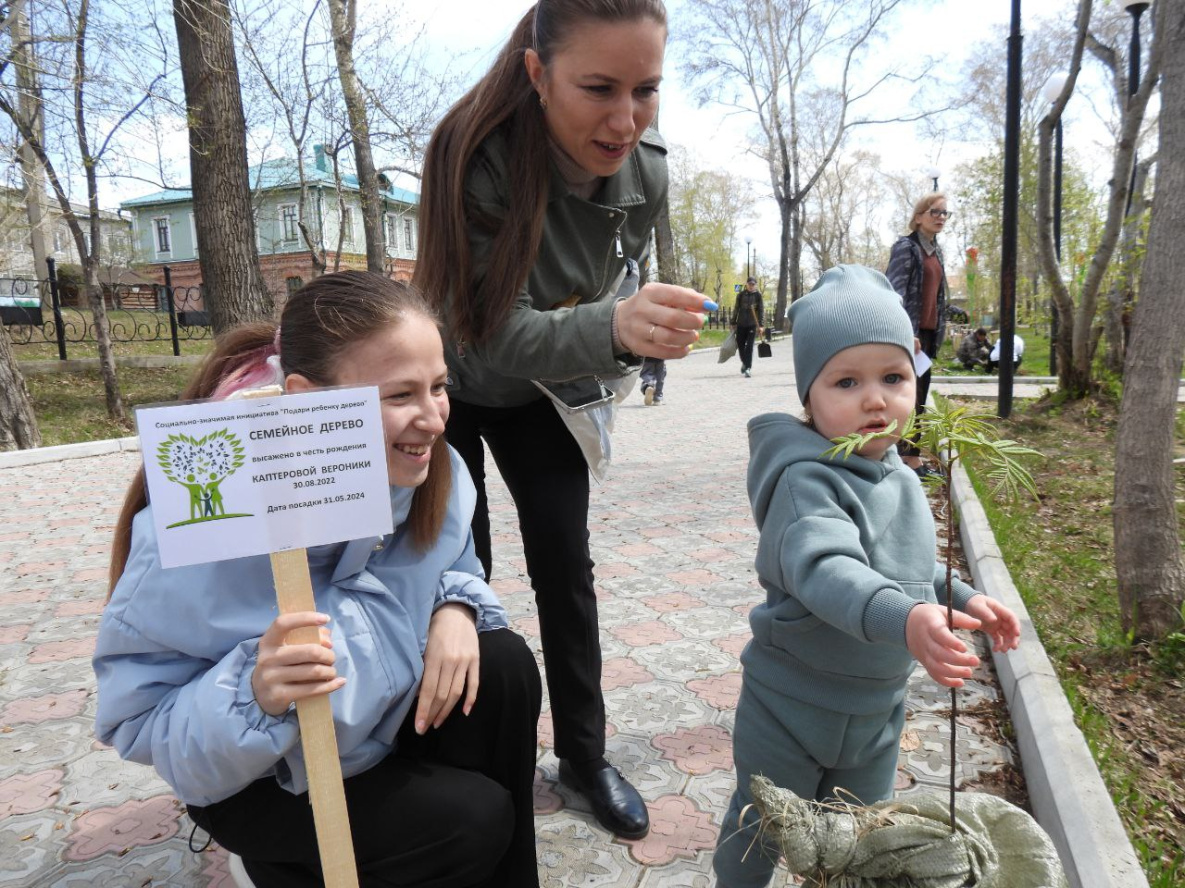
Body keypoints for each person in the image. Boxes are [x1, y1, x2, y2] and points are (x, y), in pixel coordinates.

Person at [94, 272, 543, 888]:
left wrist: (456, 609)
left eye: (439, 387)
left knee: (505, 665)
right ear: (304, 397)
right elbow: (139, 723)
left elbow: (452, 562)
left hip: (375, 728)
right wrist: (254, 692)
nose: (434, 419)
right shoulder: (200, 527)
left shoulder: (432, 469)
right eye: (398, 395)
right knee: (469, 821)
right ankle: (280, 864)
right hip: (262, 777)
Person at [414, 0, 714, 841]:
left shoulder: (647, 172)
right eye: (598, 88)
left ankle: (583, 758)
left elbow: (608, 291)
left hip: (544, 390)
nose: (624, 120)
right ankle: (465, 760)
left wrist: (638, 325)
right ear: (539, 74)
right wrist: (616, 328)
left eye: (646, 90)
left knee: (565, 572)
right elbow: (487, 329)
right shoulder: (472, 155)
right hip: (452, 386)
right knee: (455, 580)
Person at [713, 265, 1021, 888]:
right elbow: (829, 570)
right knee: (761, 831)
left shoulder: (902, 478)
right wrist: (905, 618)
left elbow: (909, 571)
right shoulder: (805, 482)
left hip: (877, 712)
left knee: (861, 840)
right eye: (847, 381)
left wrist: (963, 596)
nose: (875, 399)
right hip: (791, 705)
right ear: (809, 397)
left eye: (893, 377)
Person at [886, 192, 950, 481]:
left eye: (944, 213)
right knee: (908, 396)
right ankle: (904, 458)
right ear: (918, 216)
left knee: (919, 396)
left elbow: (933, 295)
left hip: (926, 334)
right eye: (934, 212)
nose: (940, 217)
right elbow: (894, 291)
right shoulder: (906, 248)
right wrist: (906, 332)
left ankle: (911, 456)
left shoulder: (935, 252)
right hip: (909, 335)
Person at [731, 277, 764, 378]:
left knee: (749, 347)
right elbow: (736, 308)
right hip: (741, 324)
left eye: (753, 284)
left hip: (752, 325)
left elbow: (761, 310)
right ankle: (744, 363)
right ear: (746, 284)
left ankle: (748, 368)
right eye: (750, 284)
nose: (751, 286)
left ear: (755, 285)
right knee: (740, 346)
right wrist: (733, 322)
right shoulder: (741, 295)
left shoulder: (758, 295)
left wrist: (761, 325)